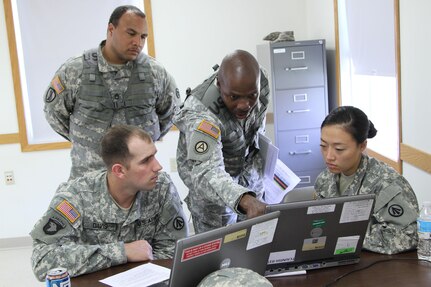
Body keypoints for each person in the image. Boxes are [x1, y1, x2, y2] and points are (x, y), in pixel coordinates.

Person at [30, 125, 188, 280]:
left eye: (154, 155)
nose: (158, 166)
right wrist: (122, 252)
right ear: (119, 170)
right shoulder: (76, 195)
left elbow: (173, 250)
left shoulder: (161, 186)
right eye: (145, 161)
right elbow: (43, 261)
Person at [43, 5, 180, 180]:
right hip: (89, 180)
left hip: (138, 181)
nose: (138, 42)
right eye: (131, 33)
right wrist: (84, 139)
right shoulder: (75, 70)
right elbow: (54, 113)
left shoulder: (156, 73)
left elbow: (170, 114)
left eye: (143, 36)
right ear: (111, 29)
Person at [175, 50, 269, 233]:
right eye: (234, 97)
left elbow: (258, 127)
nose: (244, 105)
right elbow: (206, 171)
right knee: (220, 248)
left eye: (252, 96)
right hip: (213, 189)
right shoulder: (201, 112)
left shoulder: (261, 80)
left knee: (257, 239)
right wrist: (243, 199)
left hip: (248, 174)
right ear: (219, 85)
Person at [315, 106, 419, 254]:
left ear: (362, 145)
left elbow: (408, 236)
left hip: (379, 268)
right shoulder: (324, 179)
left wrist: (343, 237)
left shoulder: (387, 184)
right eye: (323, 146)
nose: (329, 156)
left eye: (339, 149)